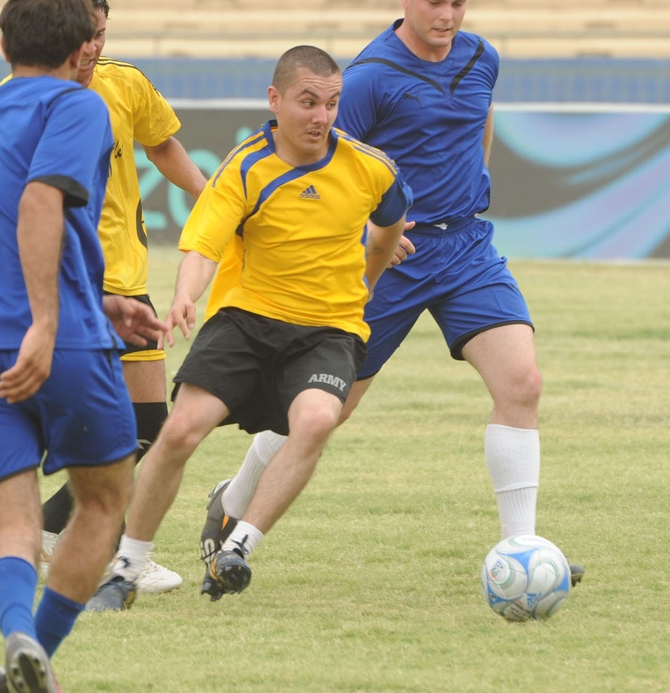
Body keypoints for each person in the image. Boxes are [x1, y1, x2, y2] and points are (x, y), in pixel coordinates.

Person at [198, 0, 585, 585]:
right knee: (326, 407)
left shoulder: (482, 56)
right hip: (388, 259)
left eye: (458, 3)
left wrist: (476, 180)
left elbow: (480, 117)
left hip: (466, 249)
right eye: (435, 2)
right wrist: (365, 234)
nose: (447, 14)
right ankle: (232, 500)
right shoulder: (368, 78)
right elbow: (317, 161)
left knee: (522, 383)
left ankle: (521, 550)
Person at [85, 44, 412, 610]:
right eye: (308, 102)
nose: (321, 116)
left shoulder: (371, 168)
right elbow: (203, 247)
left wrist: (367, 278)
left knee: (317, 420)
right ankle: (126, 569)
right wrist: (185, 296)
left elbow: (390, 227)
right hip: (246, 322)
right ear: (275, 99)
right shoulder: (243, 167)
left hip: (328, 329)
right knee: (180, 431)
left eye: (331, 103)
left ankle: (236, 546)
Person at [0, 0, 167, 690]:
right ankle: (42, 647)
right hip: (59, 340)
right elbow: (40, 201)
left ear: (4, 44)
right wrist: (48, 319)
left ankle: (18, 641)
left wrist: (98, 297)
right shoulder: (77, 105)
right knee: (104, 500)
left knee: (13, 525)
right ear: (80, 49)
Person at [34, 0, 208, 602]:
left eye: (101, 33)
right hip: (70, 280)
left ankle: (55, 528)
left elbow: (163, 147)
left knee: (149, 425)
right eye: (83, 34)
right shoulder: (24, 97)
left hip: (127, 281)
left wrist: (216, 202)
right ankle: (106, 549)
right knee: (110, 424)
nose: (93, 46)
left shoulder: (125, 84)